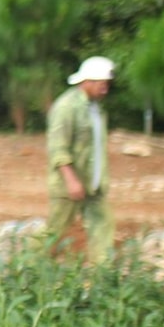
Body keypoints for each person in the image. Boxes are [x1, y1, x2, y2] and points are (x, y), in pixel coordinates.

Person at [44, 57, 116, 265]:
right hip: (69, 185)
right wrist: (71, 180)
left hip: (93, 184)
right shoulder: (66, 107)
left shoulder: (96, 110)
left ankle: (101, 275)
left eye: (106, 84)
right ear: (87, 82)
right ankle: (29, 269)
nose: (105, 88)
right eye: (101, 84)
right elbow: (58, 148)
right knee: (55, 230)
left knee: (103, 224)